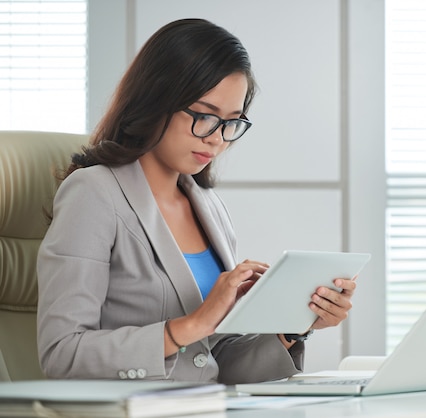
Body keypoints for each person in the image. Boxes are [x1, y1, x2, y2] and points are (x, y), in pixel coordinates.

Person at [36, 18, 357, 385]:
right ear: (157, 100)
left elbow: (213, 361)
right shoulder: (93, 193)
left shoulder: (208, 206)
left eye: (231, 122)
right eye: (204, 116)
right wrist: (191, 325)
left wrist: (293, 328)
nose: (216, 139)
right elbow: (61, 353)